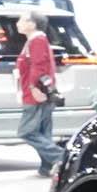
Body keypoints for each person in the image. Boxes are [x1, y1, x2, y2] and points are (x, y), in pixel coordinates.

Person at [13, 10, 64, 176]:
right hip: (41, 93)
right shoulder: (35, 40)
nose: (18, 23)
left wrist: (34, 88)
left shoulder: (37, 41)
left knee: (26, 131)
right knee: (43, 131)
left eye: (22, 20)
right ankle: (47, 167)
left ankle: (62, 157)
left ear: (32, 24)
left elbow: (39, 66)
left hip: (36, 94)